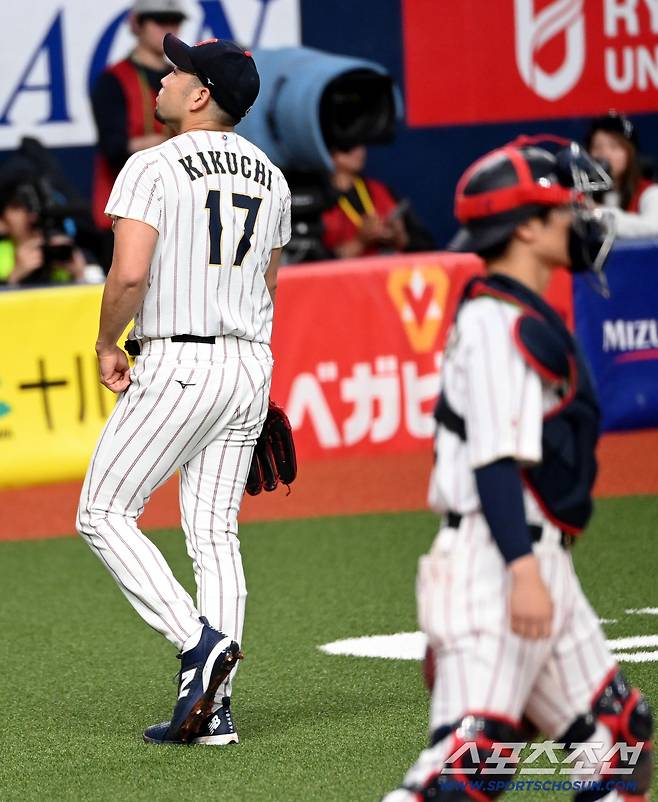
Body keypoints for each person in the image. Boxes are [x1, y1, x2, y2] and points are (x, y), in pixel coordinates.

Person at [381, 139, 653, 801]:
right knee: (463, 773)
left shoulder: (525, 313)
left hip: (535, 565)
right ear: (527, 225)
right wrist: (521, 576)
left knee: (619, 743)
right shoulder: (493, 320)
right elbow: (495, 461)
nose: (585, 219)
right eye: (569, 207)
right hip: (498, 565)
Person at [76, 34, 291, 746]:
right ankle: (217, 710)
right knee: (213, 532)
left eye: (176, 71)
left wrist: (109, 343)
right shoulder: (271, 174)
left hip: (179, 363)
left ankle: (197, 645)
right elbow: (266, 285)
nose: (163, 78)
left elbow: (130, 277)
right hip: (248, 364)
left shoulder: (151, 165)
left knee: (103, 511)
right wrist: (250, 380)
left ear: (200, 95)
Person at [90, 0, 186, 267]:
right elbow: (114, 149)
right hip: (124, 211)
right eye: (159, 21)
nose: (168, 30)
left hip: (177, 209)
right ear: (137, 25)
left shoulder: (185, 77)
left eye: (175, 21)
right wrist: (169, 144)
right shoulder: (113, 80)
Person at [321, 144, 410, 258]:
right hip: (345, 273)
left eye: (361, 145)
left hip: (387, 269)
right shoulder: (318, 200)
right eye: (349, 146)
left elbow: (410, 245)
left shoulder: (379, 189)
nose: (358, 152)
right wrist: (360, 241)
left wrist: (398, 234)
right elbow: (316, 261)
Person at [0, 179, 89, 286]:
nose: (29, 214)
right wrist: (13, 278)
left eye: (30, 207)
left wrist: (80, 275)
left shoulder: (62, 250)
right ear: (2, 221)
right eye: (17, 207)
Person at [586, 111, 658, 238]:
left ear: (630, 153)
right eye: (597, 147)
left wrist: (598, 213)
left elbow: (654, 227)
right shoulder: (583, 194)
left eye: (614, 147)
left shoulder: (650, 192)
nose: (604, 155)